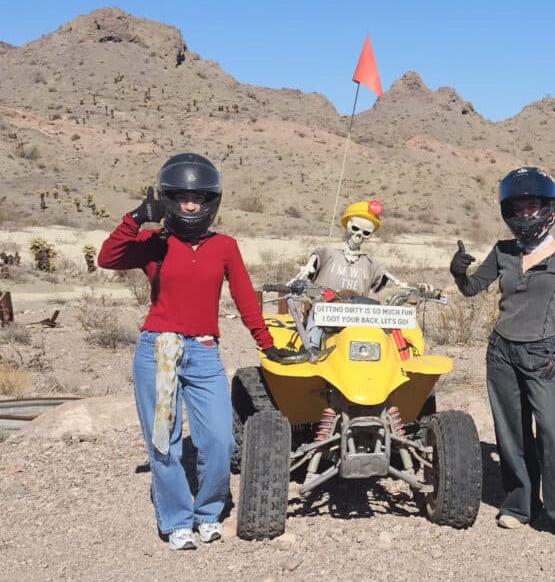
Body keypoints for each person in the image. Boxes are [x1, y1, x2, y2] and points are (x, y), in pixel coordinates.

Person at [98, 152, 293, 551]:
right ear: (169, 199)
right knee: (164, 442)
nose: (191, 205)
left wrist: (268, 346)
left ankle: (208, 511)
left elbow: (245, 300)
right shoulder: (153, 244)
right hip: (159, 350)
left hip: (204, 351)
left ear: (211, 202)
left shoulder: (225, 246)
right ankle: (176, 520)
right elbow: (108, 258)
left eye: (199, 198)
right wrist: (135, 218)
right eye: (183, 197)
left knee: (220, 441)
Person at [449, 166, 555, 544]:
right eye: (519, 208)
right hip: (501, 351)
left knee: (551, 432)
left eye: (533, 207)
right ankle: (519, 505)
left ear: (548, 208)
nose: (526, 215)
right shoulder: (503, 251)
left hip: (544, 354)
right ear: (508, 213)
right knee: (511, 432)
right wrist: (459, 274)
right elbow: (473, 289)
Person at [289, 200, 416, 351]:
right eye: (356, 228)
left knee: (383, 336)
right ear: (348, 226)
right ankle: (311, 350)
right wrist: (301, 275)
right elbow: (311, 264)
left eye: (366, 232)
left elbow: (390, 279)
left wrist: (407, 288)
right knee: (315, 321)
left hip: (356, 315)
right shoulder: (328, 253)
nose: (359, 235)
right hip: (326, 311)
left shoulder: (370, 263)